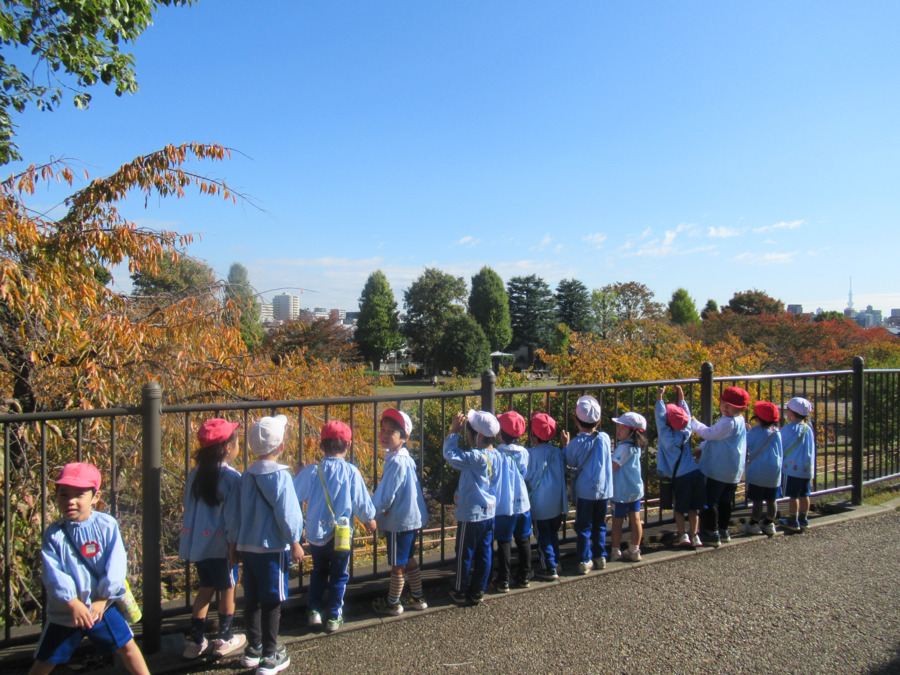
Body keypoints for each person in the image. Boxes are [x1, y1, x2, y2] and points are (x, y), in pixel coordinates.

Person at [31, 462, 150, 675]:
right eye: (64, 494)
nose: (70, 501)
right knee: (47, 659)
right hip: (66, 612)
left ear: (95, 497)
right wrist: (72, 602)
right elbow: (53, 573)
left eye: (79, 495)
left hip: (101, 608)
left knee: (127, 647)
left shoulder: (107, 525)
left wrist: (103, 598)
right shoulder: (54, 534)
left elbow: (116, 565)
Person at [236, 415, 304, 675]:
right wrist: (295, 541)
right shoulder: (281, 477)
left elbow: (236, 511)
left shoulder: (247, 475)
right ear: (281, 447)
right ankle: (269, 655)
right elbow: (289, 514)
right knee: (273, 600)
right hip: (273, 548)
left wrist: (235, 541)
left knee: (251, 599)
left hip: (247, 545)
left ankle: (253, 648)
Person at [294, 420, 377, 632]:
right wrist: (369, 520)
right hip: (341, 534)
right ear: (348, 446)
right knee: (339, 573)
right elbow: (360, 501)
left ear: (321, 446)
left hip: (316, 533)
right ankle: (333, 615)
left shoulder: (313, 471)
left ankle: (314, 610)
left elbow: (295, 494)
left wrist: (298, 473)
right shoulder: (351, 472)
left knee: (319, 570)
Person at [179, 418, 246, 660]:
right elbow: (233, 517)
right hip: (222, 547)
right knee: (228, 589)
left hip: (198, 545)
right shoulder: (231, 477)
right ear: (228, 448)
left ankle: (195, 641)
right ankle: (225, 638)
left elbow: (188, 506)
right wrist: (234, 545)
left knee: (205, 589)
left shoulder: (195, 474)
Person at [371, 409, 429, 616]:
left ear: (404, 438)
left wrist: (373, 513)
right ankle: (417, 596)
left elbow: (386, 494)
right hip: (411, 518)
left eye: (391, 432)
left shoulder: (395, 462)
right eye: (382, 430)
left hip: (398, 520)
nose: (384, 435)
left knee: (397, 563)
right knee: (408, 557)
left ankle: (393, 602)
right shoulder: (405, 458)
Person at [442, 410, 498, 605]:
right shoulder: (496, 455)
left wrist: (453, 432)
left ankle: (459, 589)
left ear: (479, 436)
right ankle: (478, 589)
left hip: (471, 515)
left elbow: (450, 455)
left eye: (468, 432)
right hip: (489, 512)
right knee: (485, 553)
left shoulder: (477, 458)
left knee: (464, 554)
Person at [690, 386, 750, 548]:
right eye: (723, 403)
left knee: (710, 501)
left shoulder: (728, 422)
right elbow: (715, 438)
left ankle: (711, 531)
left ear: (741, 409)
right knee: (725, 501)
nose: (725, 408)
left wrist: (693, 422)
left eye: (730, 406)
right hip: (732, 470)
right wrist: (701, 448)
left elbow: (709, 434)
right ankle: (723, 530)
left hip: (718, 470)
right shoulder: (739, 421)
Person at [561, 395, 613, 574]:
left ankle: (584, 560)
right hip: (604, 490)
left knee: (583, 526)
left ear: (576, 421)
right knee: (600, 524)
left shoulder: (576, 443)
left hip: (585, 492)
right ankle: (600, 556)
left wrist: (566, 445)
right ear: (598, 421)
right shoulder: (605, 438)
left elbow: (568, 460)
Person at [655, 386, 704, 548]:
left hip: (680, 476)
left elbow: (660, 418)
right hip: (695, 473)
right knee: (693, 508)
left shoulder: (665, 435)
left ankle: (683, 535)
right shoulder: (686, 431)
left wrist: (659, 397)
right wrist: (681, 397)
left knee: (679, 508)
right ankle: (695, 535)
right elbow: (687, 416)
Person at [488, 411, 532, 592]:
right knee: (524, 540)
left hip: (504, 505)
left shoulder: (497, 454)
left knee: (504, 541)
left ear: (499, 433)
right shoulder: (524, 453)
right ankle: (524, 576)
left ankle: (503, 579)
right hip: (523, 503)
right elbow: (526, 474)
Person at [525, 413, 567, 580]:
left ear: (533, 436)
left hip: (540, 505)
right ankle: (556, 562)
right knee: (553, 534)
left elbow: (527, 476)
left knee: (543, 538)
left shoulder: (531, 454)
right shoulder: (557, 452)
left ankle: (549, 567)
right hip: (556, 504)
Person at [741, 402, 783, 537]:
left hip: (758, 471)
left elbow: (747, 443)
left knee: (757, 499)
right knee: (772, 499)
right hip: (774, 472)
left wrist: (748, 430)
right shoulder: (776, 432)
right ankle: (770, 522)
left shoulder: (753, 432)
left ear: (757, 419)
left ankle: (754, 523)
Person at [609, 412, 647, 562]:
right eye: (618, 427)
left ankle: (615, 551)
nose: (618, 430)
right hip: (635, 490)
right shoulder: (636, 445)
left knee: (617, 522)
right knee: (636, 519)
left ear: (631, 431)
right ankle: (634, 549)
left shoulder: (623, 448)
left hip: (621, 491)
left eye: (622, 428)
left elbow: (614, 466)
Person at [779, 397, 816, 533]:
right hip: (806, 469)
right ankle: (804, 519)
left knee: (793, 496)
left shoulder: (787, 429)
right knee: (805, 494)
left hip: (792, 469)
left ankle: (793, 520)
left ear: (791, 413)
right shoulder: (809, 428)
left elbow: (781, 445)